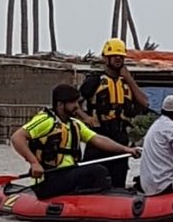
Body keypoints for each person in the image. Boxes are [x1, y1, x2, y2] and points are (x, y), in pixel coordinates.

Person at [10, 84, 141, 200]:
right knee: (98, 171)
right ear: (60, 104)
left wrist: (126, 149)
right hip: (49, 179)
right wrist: (34, 163)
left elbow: (98, 139)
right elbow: (17, 138)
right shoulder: (46, 121)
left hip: (67, 174)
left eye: (77, 102)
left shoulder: (75, 124)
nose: (77, 107)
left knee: (108, 168)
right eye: (73, 103)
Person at [76, 38, 149, 188]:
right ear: (105, 58)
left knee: (118, 177)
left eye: (121, 56)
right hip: (99, 136)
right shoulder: (95, 81)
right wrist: (86, 118)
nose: (118, 58)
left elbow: (144, 103)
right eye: (114, 55)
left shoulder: (126, 84)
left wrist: (129, 79)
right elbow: (74, 103)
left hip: (120, 137)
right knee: (92, 176)